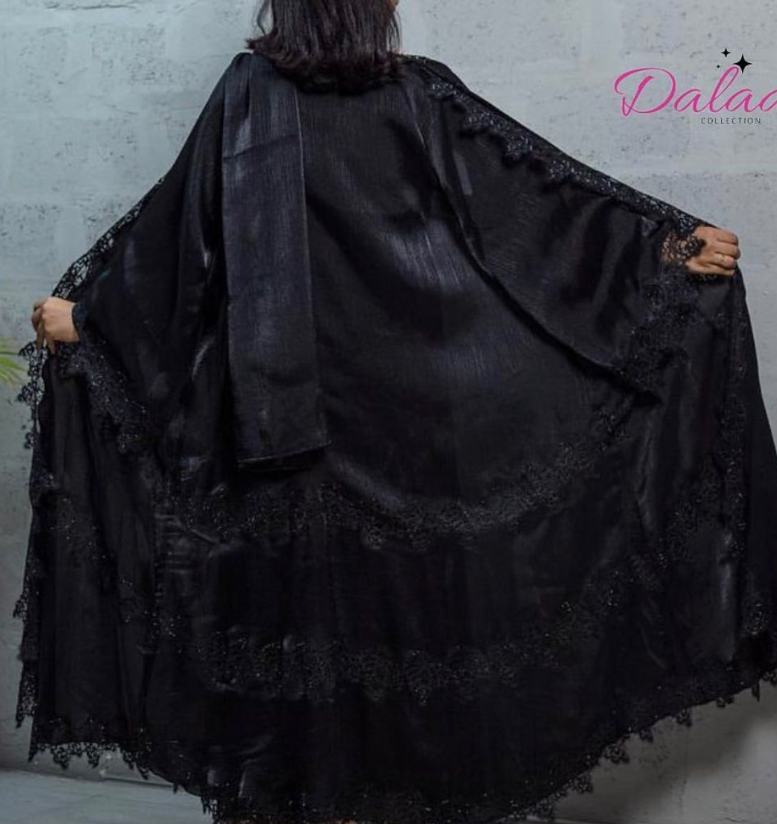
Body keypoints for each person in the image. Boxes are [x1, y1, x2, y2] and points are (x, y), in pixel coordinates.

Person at [14, 1, 777, 823]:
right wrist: (660, 250)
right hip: (403, 438)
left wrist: (92, 319)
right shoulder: (414, 95)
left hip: (297, 432)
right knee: (405, 644)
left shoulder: (262, 94)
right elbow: (538, 210)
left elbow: (181, 245)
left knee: (318, 653)